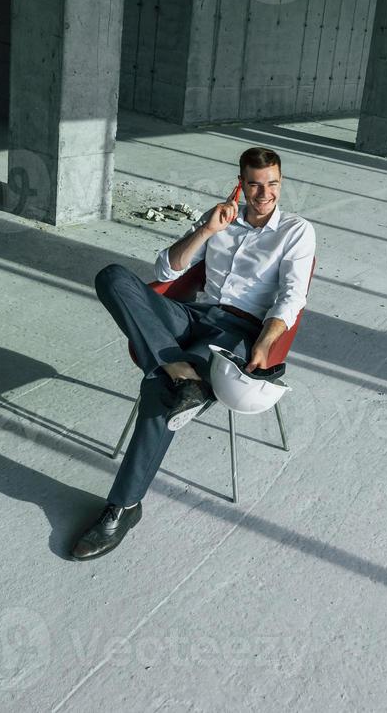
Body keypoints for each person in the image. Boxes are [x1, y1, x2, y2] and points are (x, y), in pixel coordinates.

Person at [72, 146, 316, 561]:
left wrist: (265, 340)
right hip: (192, 314)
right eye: (255, 185)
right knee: (112, 278)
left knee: (160, 393)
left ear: (281, 182)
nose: (264, 194)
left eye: (272, 184)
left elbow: (292, 298)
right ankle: (180, 371)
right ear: (241, 183)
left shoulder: (296, 231)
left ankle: (123, 506)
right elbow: (167, 271)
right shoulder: (220, 218)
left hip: (238, 332)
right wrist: (206, 231)